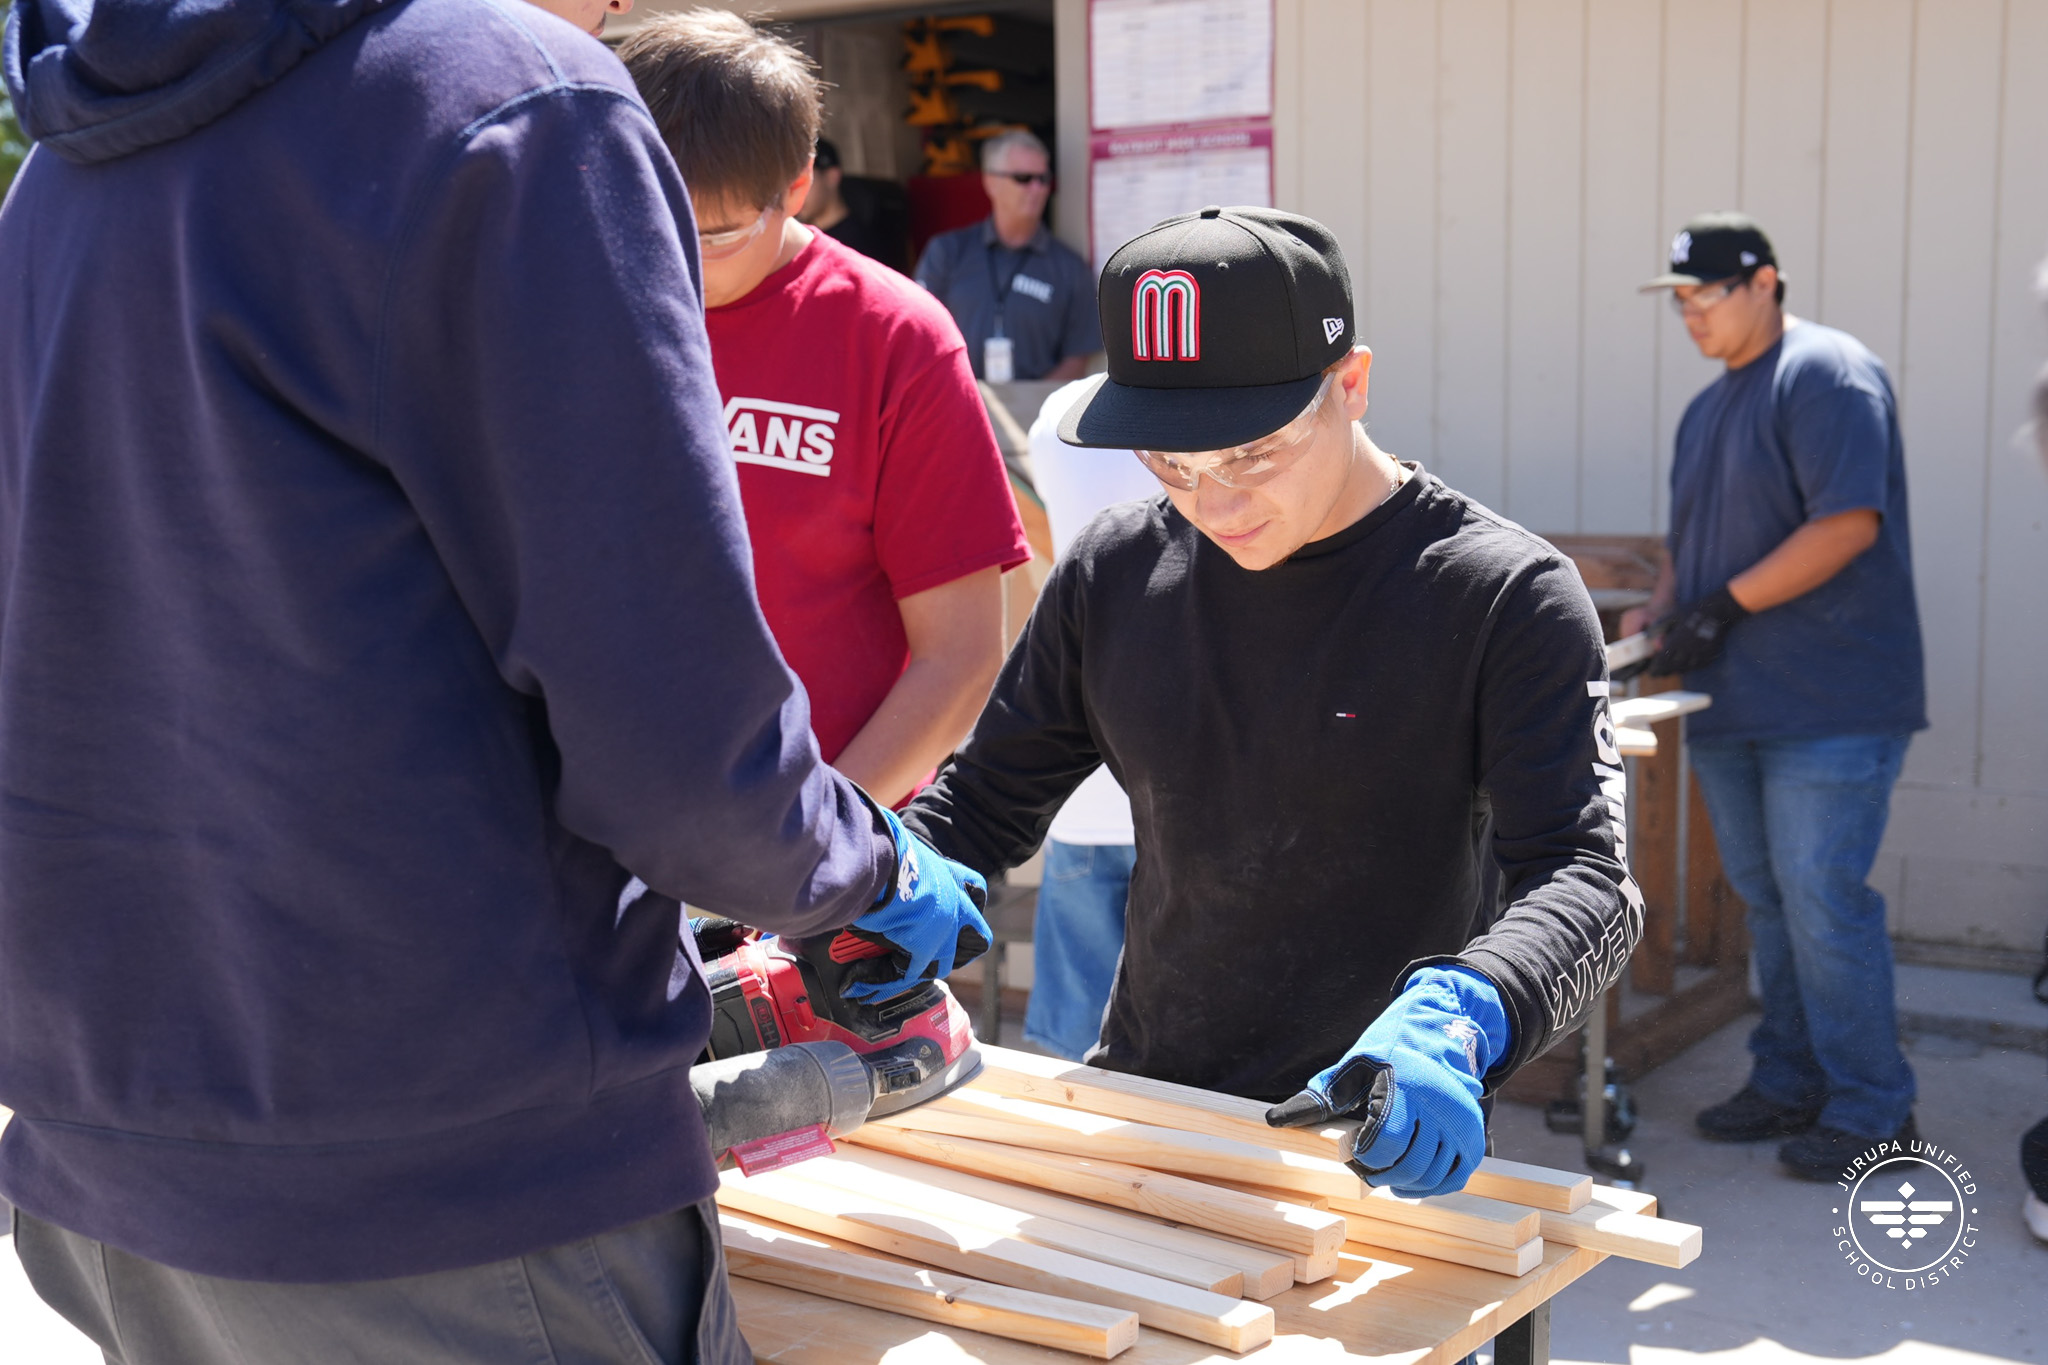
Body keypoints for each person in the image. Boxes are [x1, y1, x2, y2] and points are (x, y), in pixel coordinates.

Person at [0, 0, 990, 1359]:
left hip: (107, 1152)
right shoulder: (520, 104)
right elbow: (672, 732)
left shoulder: (69, 165)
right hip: (454, 1195)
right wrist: (857, 870)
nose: (616, 14)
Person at [906, 207, 1644, 1196]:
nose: (1213, 506)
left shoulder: (1500, 597)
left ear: (1351, 385)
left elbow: (1586, 879)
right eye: (1171, 464)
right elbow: (985, 800)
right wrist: (892, 882)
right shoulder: (1116, 568)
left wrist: (1467, 1013)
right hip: (1149, 1108)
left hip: (1378, 1131)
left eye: (1251, 454)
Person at [618, 13, 1029, 809]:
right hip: (600, 849)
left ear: (799, 187)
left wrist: (808, 839)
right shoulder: (575, 298)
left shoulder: (894, 338)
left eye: (714, 235)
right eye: (639, 215)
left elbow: (961, 656)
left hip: (817, 857)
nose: (666, 255)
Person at [1628, 212, 1927, 1182]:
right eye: (1677, 301)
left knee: (1821, 901)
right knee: (1767, 902)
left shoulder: (1824, 374)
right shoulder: (1705, 409)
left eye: (1703, 296)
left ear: (1764, 282)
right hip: (1733, 699)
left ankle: (1873, 1109)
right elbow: (1690, 545)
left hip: (1829, 701)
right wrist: (1664, 618)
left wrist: (1722, 605)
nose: (1689, 317)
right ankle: (1788, 1078)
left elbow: (1845, 525)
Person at [1016, 382, 1155, 1060]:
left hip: (1080, 784)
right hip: (1183, 788)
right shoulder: (1208, 422)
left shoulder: (1056, 420)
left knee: (1071, 1048)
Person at [915, 129, 1101, 384]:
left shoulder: (1069, 268)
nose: (1037, 188)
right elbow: (920, 338)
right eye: (1023, 178)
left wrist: (1034, 408)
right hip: (959, 409)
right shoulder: (947, 253)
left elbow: (1077, 360)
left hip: (1034, 416)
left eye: (1043, 178)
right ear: (990, 182)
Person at [796, 137, 912, 275]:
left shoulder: (858, 246)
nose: (796, 191)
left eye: (804, 180)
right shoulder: (801, 240)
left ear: (832, 177)